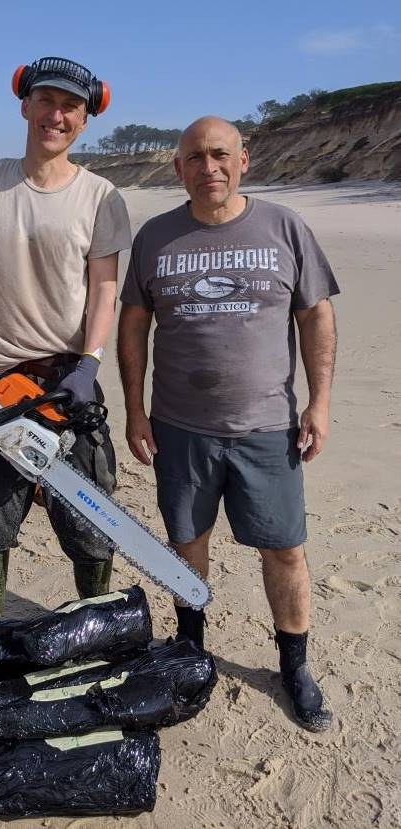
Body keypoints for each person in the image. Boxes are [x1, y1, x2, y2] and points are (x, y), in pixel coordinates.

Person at [117, 116, 339, 732]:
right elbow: (134, 324)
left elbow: (315, 316)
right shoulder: (157, 237)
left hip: (267, 427)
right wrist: (135, 408)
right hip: (180, 426)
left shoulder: (284, 227)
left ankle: (294, 665)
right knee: (186, 545)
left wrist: (318, 403)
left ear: (244, 158)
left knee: (286, 550)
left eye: (220, 155)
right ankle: (190, 646)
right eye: (194, 157)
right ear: (177, 166)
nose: (208, 167)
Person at [0, 57, 131, 628]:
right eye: (46, 101)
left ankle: (94, 627)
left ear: (86, 117)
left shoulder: (102, 196)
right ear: (25, 104)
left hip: (68, 382)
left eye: (70, 106)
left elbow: (105, 290)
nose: (56, 115)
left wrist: (88, 364)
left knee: (89, 523)